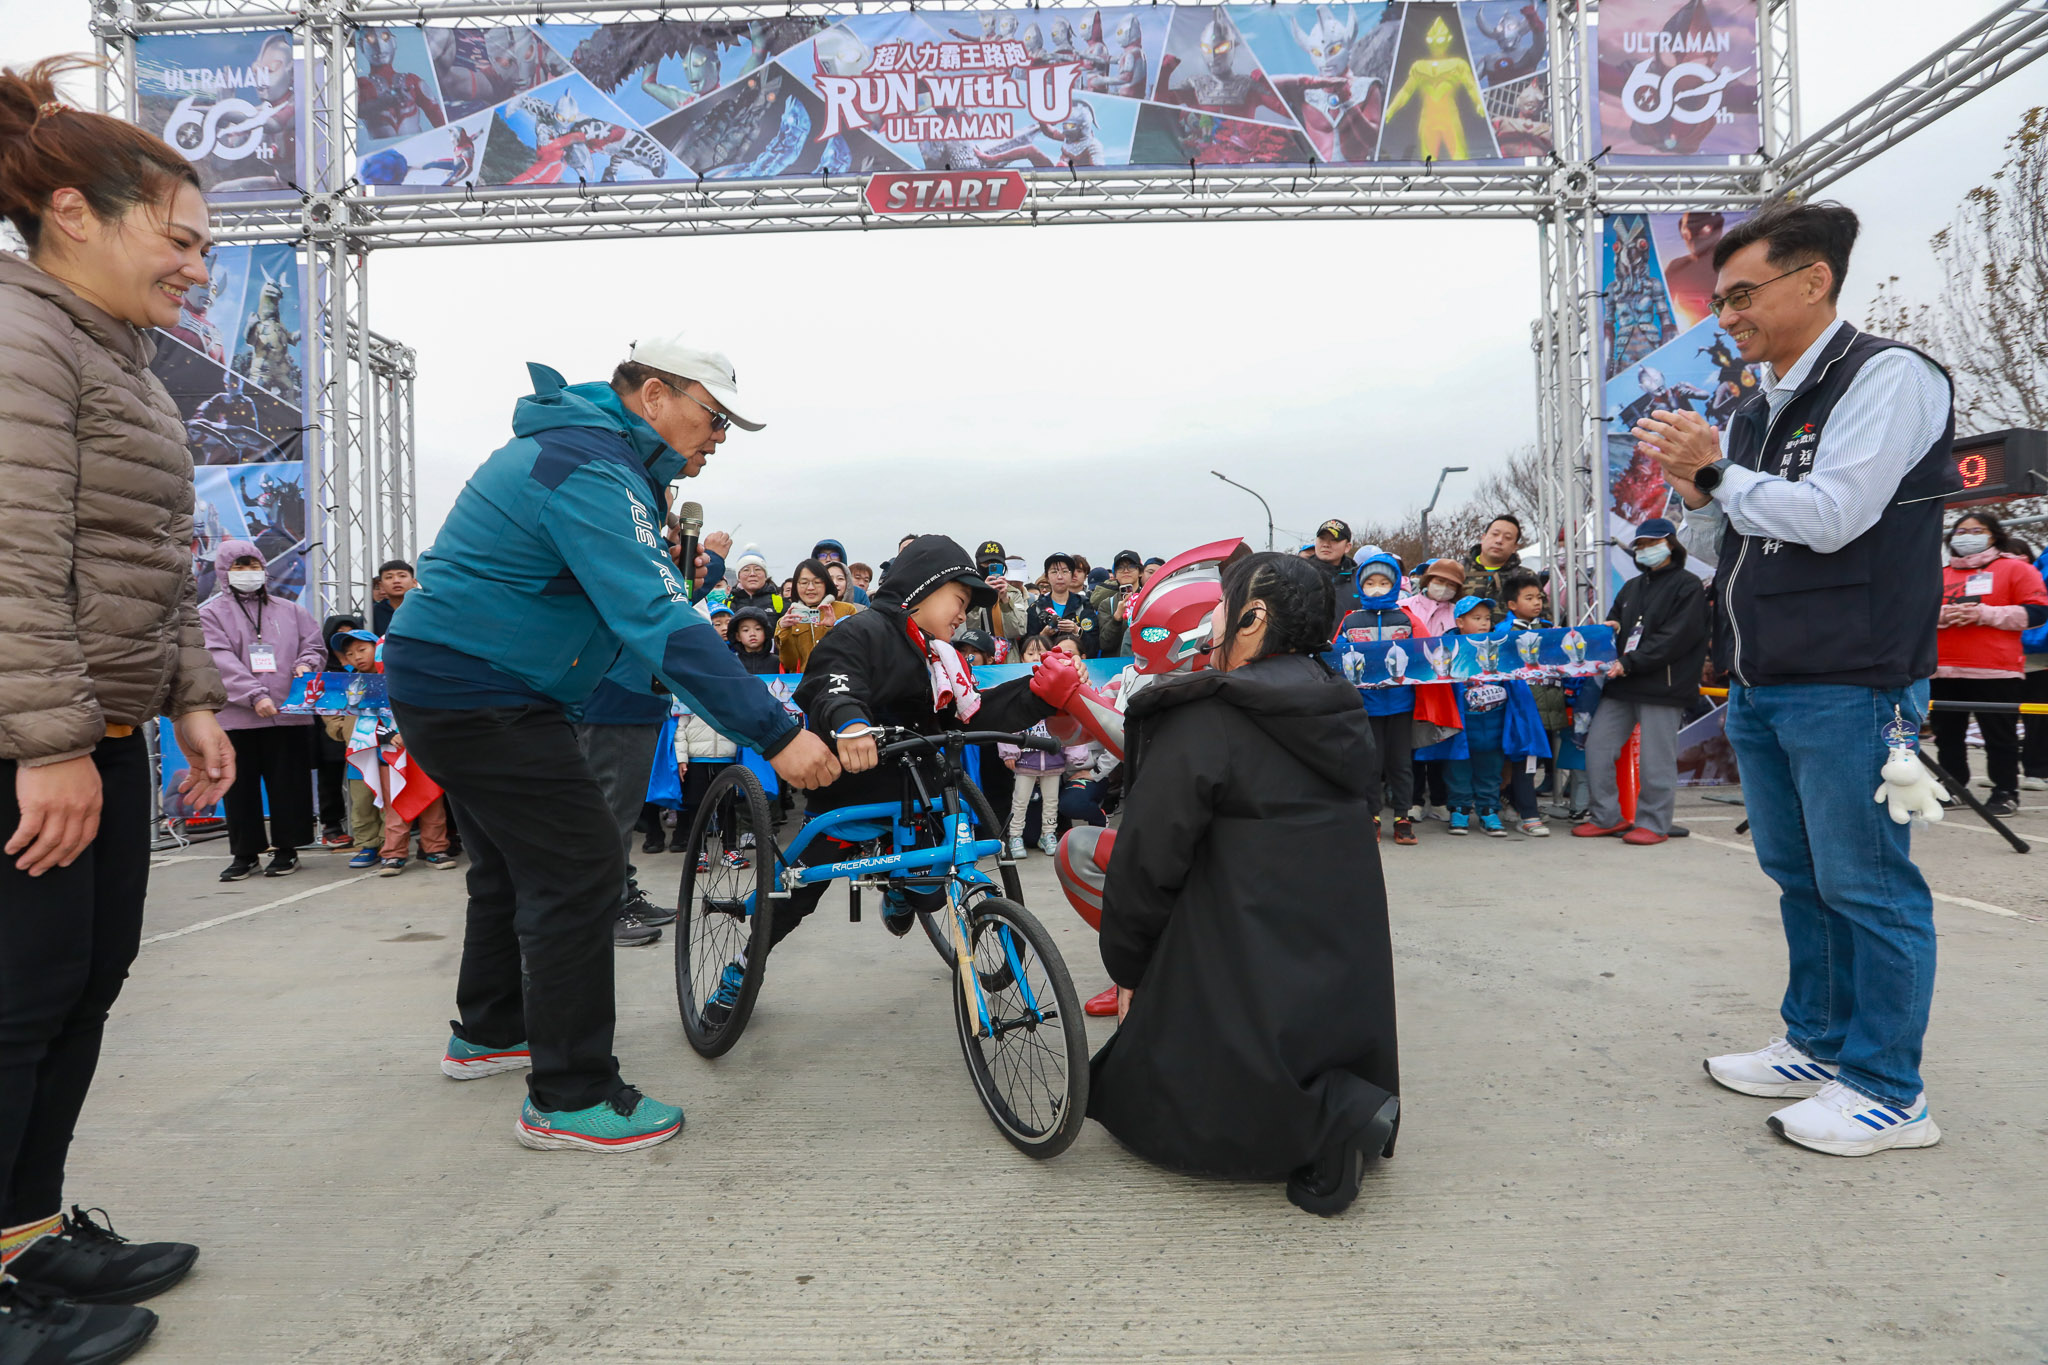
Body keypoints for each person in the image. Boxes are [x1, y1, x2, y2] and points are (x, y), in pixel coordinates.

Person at [383, 331, 838, 1155]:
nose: (719, 437)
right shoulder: (591, 467)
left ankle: (490, 1031)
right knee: (583, 865)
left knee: (510, 865)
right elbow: (656, 615)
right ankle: (571, 1094)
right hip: (481, 687)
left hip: (463, 679)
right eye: (714, 416)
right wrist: (775, 732)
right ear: (654, 395)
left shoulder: (592, 455)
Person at [0, 58, 238, 1361]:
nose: (198, 266)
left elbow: (148, 553)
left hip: (100, 724)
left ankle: (24, 1234)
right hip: (29, 738)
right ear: (72, 214)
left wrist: (188, 697)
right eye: (180, 239)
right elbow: (15, 554)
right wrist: (46, 744)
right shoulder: (20, 335)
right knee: (15, 1004)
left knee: (81, 987)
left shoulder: (121, 357)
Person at [1636, 199, 1957, 1157]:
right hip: (1764, 677)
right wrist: (1694, 493)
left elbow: (1832, 514)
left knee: (1869, 884)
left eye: (1742, 295)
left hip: (1854, 676)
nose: (1728, 316)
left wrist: (1718, 475)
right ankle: (1818, 1043)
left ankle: (1890, 1090)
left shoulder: (1886, 375)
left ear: (1814, 280)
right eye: (1720, 301)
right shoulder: (1753, 410)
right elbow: (1722, 543)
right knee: (1799, 876)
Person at [1086, 551, 1399, 1217]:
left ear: (1253, 619)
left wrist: (1129, 964)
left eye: (1223, 608)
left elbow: (1148, 857)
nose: (1212, 622)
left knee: (1164, 1077)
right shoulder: (1338, 704)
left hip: (1239, 942)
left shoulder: (1211, 715)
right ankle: (1345, 1102)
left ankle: (1327, 1121)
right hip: (1337, 954)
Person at [694, 537, 1062, 1010]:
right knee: (794, 899)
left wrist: (1039, 693)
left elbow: (968, 715)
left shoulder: (942, 656)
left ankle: (902, 889)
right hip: (851, 791)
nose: (963, 615)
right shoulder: (862, 630)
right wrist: (850, 723)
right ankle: (746, 966)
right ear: (923, 588)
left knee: (930, 893)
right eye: (960, 599)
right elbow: (833, 681)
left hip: (919, 791)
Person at [1575, 517, 1708, 844]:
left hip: (1664, 685)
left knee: (1656, 760)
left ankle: (1654, 823)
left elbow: (1676, 638)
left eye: (1653, 543)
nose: (1646, 549)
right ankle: (1606, 816)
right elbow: (1617, 621)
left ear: (1671, 545)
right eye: (1641, 545)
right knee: (1597, 748)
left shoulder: (1688, 585)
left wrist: (1630, 662)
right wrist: (1609, 630)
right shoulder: (1632, 586)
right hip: (1622, 683)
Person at [199, 538, 325, 880]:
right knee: (239, 788)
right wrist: (254, 695)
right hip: (237, 717)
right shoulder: (210, 614)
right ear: (223, 571)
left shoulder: (291, 610)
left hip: (289, 713)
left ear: (264, 568)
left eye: (253, 565)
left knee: (289, 785)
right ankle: (245, 854)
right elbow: (218, 660)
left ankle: (288, 850)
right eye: (238, 566)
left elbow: (314, 646)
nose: (247, 572)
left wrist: (305, 664)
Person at [1931, 511, 2048, 816]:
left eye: (1976, 530)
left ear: (1994, 535)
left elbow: (2038, 613)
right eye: (1960, 531)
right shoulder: (1938, 573)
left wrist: (1984, 614)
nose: (1967, 536)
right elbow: (1914, 613)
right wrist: (1942, 616)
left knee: (1999, 736)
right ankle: (1952, 787)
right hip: (1942, 668)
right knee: (1947, 736)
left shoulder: (2016, 569)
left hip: (1995, 669)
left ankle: (2005, 791)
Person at [1438, 597, 1549, 836]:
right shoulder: (1447, 650)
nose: (1483, 623)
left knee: (1491, 769)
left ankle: (1489, 811)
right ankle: (1459, 810)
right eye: (1476, 618)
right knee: (1458, 769)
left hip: (1494, 724)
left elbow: (1516, 682)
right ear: (1460, 622)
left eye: (1487, 618)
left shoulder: (1501, 647)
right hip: (1462, 727)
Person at [1334, 551, 1420, 845]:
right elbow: (1338, 658)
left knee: (1401, 763)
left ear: (1395, 584)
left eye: (1384, 582)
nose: (1377, 588)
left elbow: (1422, 657)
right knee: (1371, 762)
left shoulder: (1406, 620)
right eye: (1370, 583)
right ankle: (1372, 815)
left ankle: (1402, 816)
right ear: (1360, 585)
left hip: (1401, 703)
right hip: (1365, 705)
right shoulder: (1351, 621)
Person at [998, 635, 1091, 857]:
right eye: (1030, 653)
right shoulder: (1019, 686)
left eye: (1041, 653)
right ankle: (1015, 835)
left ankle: (1048, 834)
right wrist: (1009, 751)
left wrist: (1077, 756)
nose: (1036, 657)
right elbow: (1008, 722)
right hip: (1025, 761)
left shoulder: (1060, 686)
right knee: (1020, 801)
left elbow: (1070, 722)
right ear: (1022, 656)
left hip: (1053, 760)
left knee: (1051, 802)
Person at [776, 558, 861, 671]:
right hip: (805, 680)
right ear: (795, 586)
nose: (810, 588)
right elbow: (789, 664)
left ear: (826, 584)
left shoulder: (847, 610)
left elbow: (856, 652)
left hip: (838, 678)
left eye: (817, 582)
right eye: (804, 583)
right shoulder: (789, 619)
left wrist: (833, 628)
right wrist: (784, 630)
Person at [1028, 552, 1101, 655]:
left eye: (1065, 571)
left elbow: (1094, 645)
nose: (1059, 577)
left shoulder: (1084, 605)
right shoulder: (1036, 608)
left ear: (1071, 575)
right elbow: (1026, 648)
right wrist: (1043, 635)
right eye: (1054, 572)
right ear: (1047, 577)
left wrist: (1076, 631)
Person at [1459, 514, 1525, 623]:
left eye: (1507, 538)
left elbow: (1541, 618)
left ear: (1515, 547)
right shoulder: (1458, 571)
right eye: (1495, 534)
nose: (1499, 540)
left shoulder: (1524, 577)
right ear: (1483, 538)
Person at [963, 540, 1029, 646]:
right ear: (978, 564)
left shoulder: (1013, 593)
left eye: (996, 564)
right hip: (977, 652)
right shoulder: (969, 592)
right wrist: (979, 597)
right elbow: (967, 629)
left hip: (1007, 653)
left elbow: (1018, 631)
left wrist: (1005, 602)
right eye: (987, 563)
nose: (991, 567)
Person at [1092, 549, 1145, 656]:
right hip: (1116, 663)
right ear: (1115, 574)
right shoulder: (1107, 604)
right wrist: (1116, 618)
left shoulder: (1148, 599)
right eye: (1120, 568)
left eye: (1131, 566)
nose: (1125, 571)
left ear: (1140, 572)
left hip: (1144, 660)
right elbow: (1105, 644)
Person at [1310, 518, 1358, 631]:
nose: (1326, 544)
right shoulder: (1299, 574)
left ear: (1347, 547)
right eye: (1322, 539)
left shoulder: (1360, 578)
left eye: (1334, 540)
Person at [810, 538, 870, 606]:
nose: (828, 559)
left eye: (834, 555)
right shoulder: (809, 590)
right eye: (822, 555)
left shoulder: (859, 594)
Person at [728, 546, 784, 616]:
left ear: (765, 576)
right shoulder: (727, 604)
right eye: (746, 570)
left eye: (757, 569)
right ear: (739, 577)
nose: (752, 574)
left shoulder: (780, 602)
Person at [728, 606, 781, 675]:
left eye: (758, 629)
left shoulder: (777, 662)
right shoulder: (732, 663)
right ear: (738, 636)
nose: (752, 634)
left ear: (766, 632)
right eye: (745, 630)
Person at [370, 557, 416, 634]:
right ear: (381, 585)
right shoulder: (372, 613)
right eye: (389, 577)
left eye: (402, 576)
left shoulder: (426, 609)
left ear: (414, 582)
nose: (396, 581)